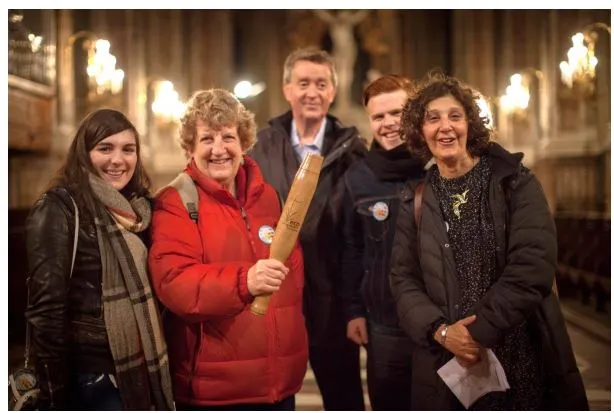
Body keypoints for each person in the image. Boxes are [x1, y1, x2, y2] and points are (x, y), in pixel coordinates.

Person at [389, 72, 589, 410]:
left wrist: (475, 332)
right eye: (432, 119)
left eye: (455, 116)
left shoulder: (514, 182)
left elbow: (533, 265)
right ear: (420, 132)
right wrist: (442, 332)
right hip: (448, 360)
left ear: (470, 124)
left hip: (519, 352)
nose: (445, 126)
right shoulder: (416, 198)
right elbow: (402, 278)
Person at [148, 89, 308, 410]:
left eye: (228, 137)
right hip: (216, 390)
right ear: (190, 147)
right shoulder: (176, 202)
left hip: (279, 387)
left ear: (243, 142)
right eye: (207, 138)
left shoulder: (268, 197)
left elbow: (292, 279)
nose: (219, 149)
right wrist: (245, 281)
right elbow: (176, 285)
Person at [25, 108, 174, 410]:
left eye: (128, 149)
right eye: (105, 148)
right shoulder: (59, 208)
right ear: (84, 153)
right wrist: (56, 393)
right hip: (88, 375)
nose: (118, 160)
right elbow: (46, 311)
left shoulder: (140, 211)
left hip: (138, 367)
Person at [250, 48, 367, 410]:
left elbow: (360, 236)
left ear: (333, 91)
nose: (312, 92)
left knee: (344, 399)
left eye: (321, 84)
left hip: (332, 300)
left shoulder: (354, 151)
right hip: (276, 295)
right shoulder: (260, 146)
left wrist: (355, 304)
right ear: (287, 89)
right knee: (272, 398)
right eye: (303, 83)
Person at [339, 74, 424, 410]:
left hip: (442, 321)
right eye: (378, 116)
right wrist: (353, 311)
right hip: (384, 323)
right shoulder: (358, 177)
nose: (388, 123)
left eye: (397, 113)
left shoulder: (440, 166)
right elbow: (351, 249)